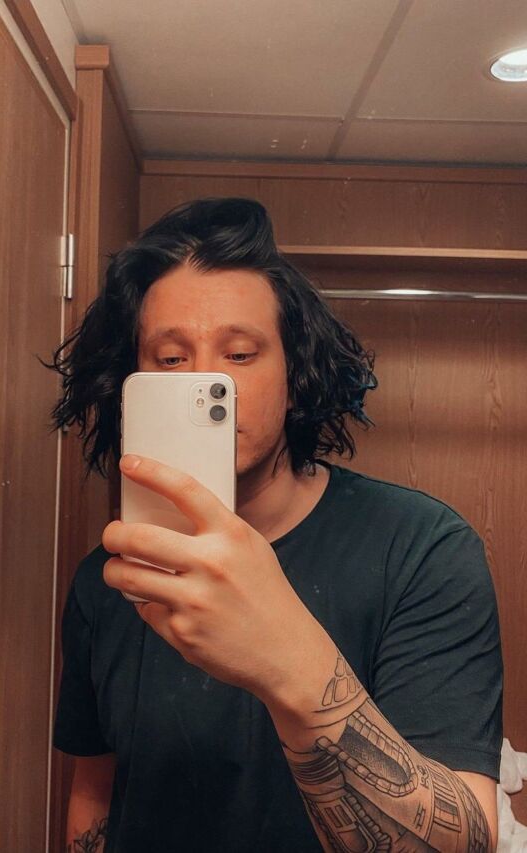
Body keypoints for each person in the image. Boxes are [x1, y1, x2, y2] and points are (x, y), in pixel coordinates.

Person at [49, 197, 502, 853]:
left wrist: (290, 663)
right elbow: (95, 791)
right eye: (171, 359)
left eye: (239, 354)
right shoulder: (110, 576)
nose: (207, 379)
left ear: (294, 375)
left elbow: (462, 840)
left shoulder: (421, 549)